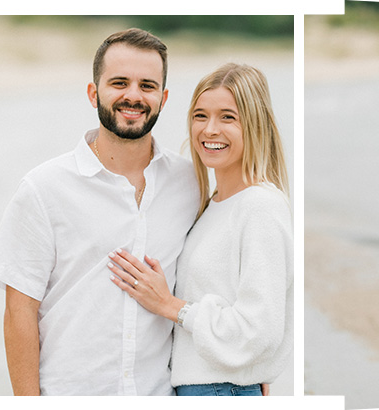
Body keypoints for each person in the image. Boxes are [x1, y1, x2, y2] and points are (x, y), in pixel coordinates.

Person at [0, 28, 199, 395]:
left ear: (163, 98)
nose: (133, 96)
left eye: (147, 86)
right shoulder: (43, 189)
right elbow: (18, 312)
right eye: (119, 82)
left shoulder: (190, 184)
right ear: (94, 93)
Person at [104, 63, 293, 396]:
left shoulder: (260, 207)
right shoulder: (212, 204)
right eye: (200, 115)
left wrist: (171, 305)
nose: (210, 130)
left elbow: (260, 331)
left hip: (220, 390)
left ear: (255, 124)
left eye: (228, 117)